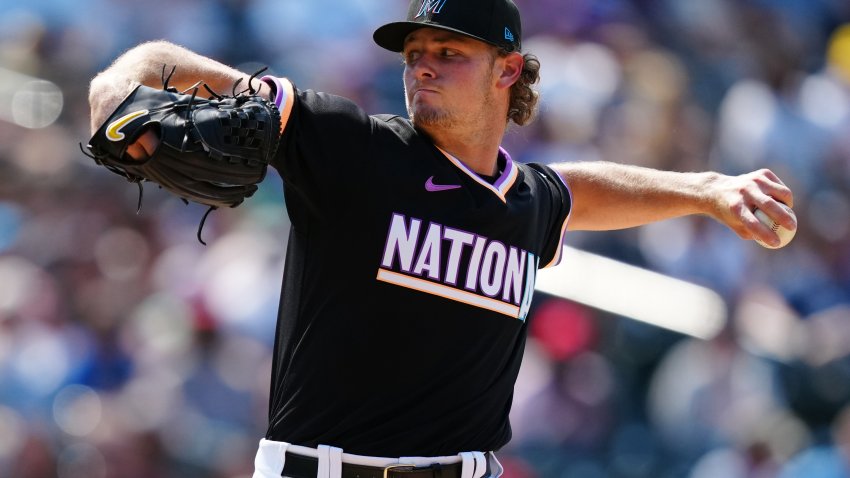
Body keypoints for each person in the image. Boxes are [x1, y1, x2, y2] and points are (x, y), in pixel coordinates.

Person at [87, 0, 796, 477]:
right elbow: (159, 62)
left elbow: (581, 189)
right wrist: (117, 87)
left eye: (448, 52)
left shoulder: (526, 202)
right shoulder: (348, 145)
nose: (421, 64)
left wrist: (706, 190)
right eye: (414, 51)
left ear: (507, 71)